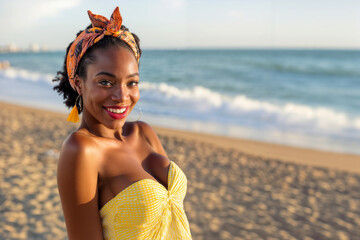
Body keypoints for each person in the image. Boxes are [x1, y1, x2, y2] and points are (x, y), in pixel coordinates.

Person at [53, 7, 192, 240]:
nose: (122, 96)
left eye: (131, 82)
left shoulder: (144, 132)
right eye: (106, 82)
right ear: (79, 83)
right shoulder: (82, 149)